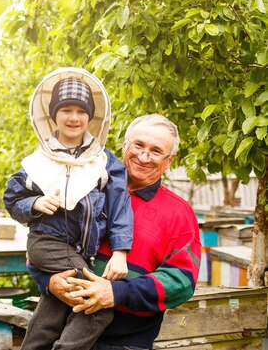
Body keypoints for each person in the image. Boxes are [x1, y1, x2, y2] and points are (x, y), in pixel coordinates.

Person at [29, 113, 202, 350]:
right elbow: (44, 242)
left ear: (169, 160)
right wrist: (48, 282)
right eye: (138, 145)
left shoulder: (179, 213)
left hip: (123, 344)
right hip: (55, 334)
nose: (143, 156)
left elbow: (181, 282)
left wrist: (116, 292)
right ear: (125, 145)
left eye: (155, 150)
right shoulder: (82, 185)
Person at [3, 67, 133, 350]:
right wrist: (34, 203)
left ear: (90, 116)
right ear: (53, 115)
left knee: (56, 304)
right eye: (66, 110)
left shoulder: (104, 162)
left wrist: (121, 252)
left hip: (79, 250)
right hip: (46, 243)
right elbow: (12, 200)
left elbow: (120, 206)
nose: (74, 118)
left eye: (80, 111)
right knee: (97, 305)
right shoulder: (37, 162)